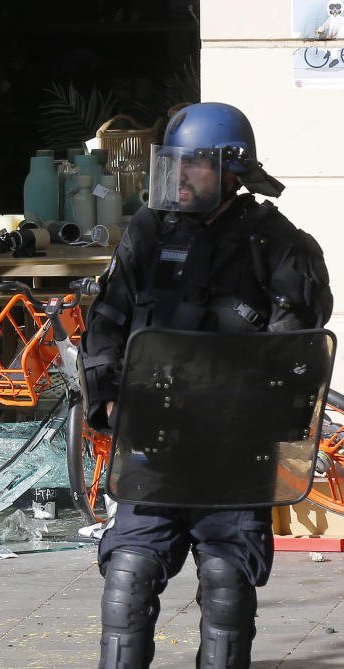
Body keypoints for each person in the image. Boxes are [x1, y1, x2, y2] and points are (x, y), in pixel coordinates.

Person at [79, 102, 333, 668]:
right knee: (129, 578)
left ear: (232, 170)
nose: (181, 177)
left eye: (196, 165)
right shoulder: (148, 230)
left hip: (234, 452)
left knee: (226, 581)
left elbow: (297, 354)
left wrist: (263, 413)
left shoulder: (277, 244)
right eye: (176, 164)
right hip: (155, 438)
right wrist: (108, 395)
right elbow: (107, 321)